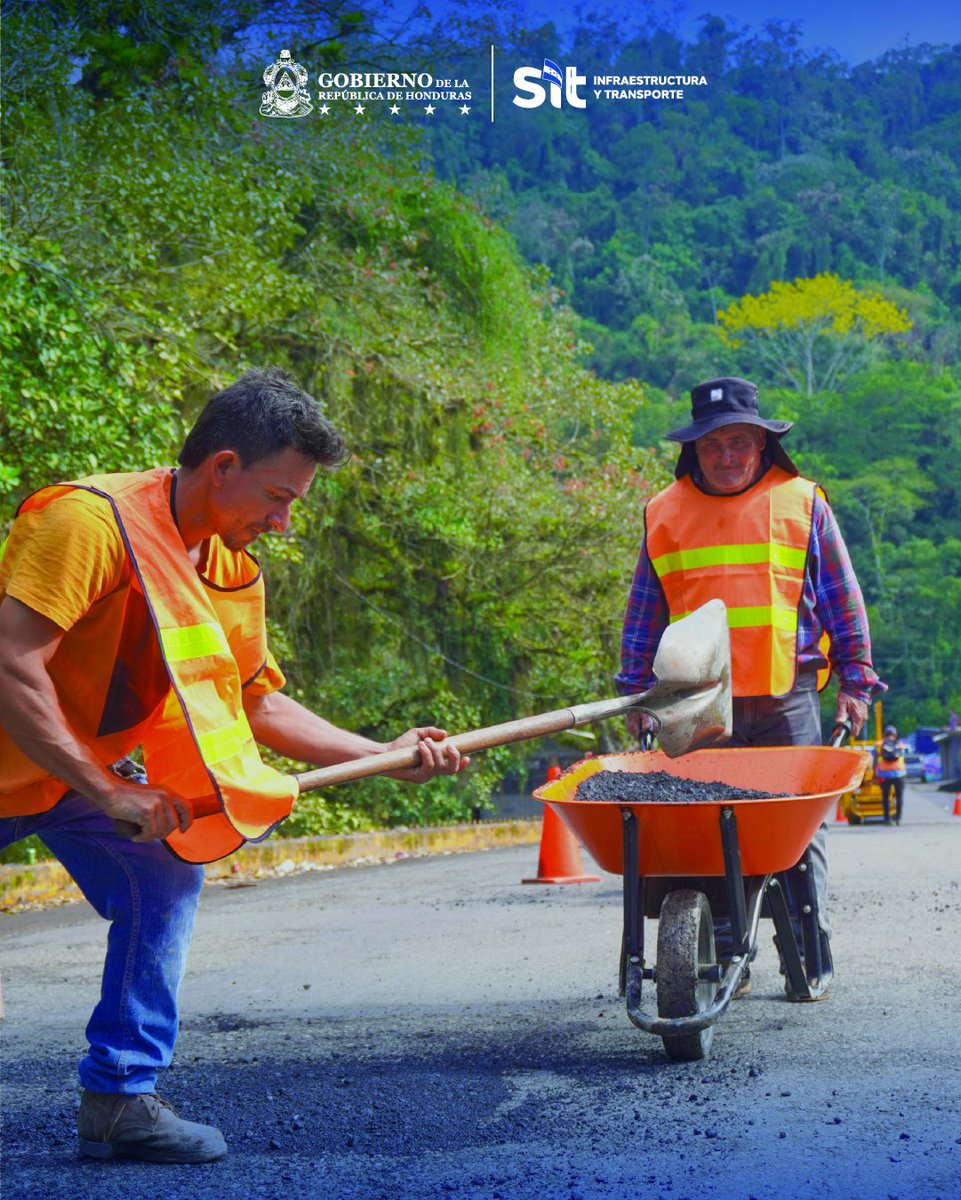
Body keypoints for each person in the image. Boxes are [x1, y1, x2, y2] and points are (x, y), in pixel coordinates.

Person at [0, 367, 468, 1164]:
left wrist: (381, 758)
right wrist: (108, 788)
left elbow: (257, 702)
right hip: (50, 759)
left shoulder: (227, 567)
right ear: (222, 467)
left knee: (164, 873)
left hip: (66, 774)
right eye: (279, 497)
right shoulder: (88, 523)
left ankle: (118, 1096)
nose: (284, 522)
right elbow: (12, 665)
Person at [616, 376, 884, 1000]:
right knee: (705, 830)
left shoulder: (801, 501)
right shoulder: (665, 511)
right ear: (695, 450)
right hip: (697, 703)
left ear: (762, 445)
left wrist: (855, 681)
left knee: (796, 831)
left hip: (786, 697)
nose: (728, 455)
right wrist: (635, 692)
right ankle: (718, 955)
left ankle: (808, 956)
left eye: (740, 442)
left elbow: (843, 599)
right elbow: (643, 611)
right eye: (714, 445)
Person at [874, 724, 908, 825]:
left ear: (885, 734)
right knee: (899, 797)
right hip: (900, 774)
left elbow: (874, 760)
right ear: (895, 734)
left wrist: (874, 773)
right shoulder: (900, 744)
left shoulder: (879, 744)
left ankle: (887, 819)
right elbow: (903, 758)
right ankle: (898, 819)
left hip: (884, 774)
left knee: (885, 797)